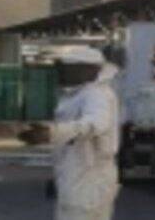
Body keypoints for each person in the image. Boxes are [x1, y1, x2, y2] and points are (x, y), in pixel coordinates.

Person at [19, 46, 120, 220]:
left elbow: (95, 124)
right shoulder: (80, 94)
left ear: (87, 69)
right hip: (80, 175)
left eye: (68, 68)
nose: (64, 73)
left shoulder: (95, 94)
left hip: (88, 177)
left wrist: (52, 133)